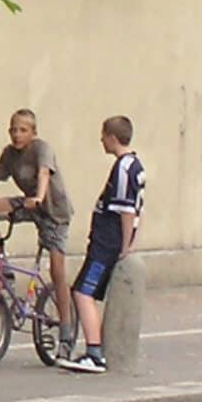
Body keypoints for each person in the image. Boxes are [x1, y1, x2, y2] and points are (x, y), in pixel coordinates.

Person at [0, 108, 77, 358]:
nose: (17, 134)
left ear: (33, 132)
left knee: (57, 271)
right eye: (13, 129)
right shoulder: (9, 155)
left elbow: (44, 173)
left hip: (54, 212)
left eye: (23, 130)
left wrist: (40, 197)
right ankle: (4, 266)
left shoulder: (41, 149)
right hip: (29, 205)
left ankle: (65, 329)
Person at [62, 115, 144, 374]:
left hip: (107, 242)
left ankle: (94, 353)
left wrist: (125, 246)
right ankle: (93, 350)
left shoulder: (123, 168)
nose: (100, 140)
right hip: (106, 240)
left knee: (83, 293)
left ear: (112, 137)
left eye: (103, 135)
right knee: (84, 291)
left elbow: (126, 210)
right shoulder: (134, 165)